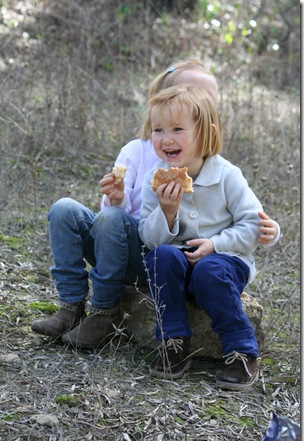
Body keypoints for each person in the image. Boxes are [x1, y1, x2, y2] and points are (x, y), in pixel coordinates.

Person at [31, 59, 280, 349]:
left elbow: (245, 216)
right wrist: (118, 199)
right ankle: (71, 308)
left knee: (127, 229)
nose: (166, 138)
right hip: (127, 246)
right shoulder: (140, 154)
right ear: (161, 99)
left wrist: (264, 231)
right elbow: (108, 219)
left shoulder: (208, 161)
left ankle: (106, 312)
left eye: (206, 97)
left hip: (164, 259)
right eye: (159, 129)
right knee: (67, 209)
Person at [138, 84, 268, 390]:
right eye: (158, 130)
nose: (166, 138)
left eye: (177, 129)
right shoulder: (154, 179)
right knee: (160, 256)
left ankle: (241, 351)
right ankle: (173, 343)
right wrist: (167, 212)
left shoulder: (227, 175)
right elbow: (147, 236)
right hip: (177, 268)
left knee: (211, 270)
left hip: (224, 262)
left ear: (205, 133)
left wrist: (216, 244)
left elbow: (253, 224)